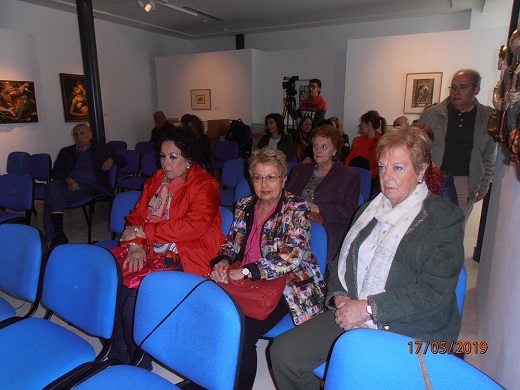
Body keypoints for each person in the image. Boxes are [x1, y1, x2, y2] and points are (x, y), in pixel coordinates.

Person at [271, 126, 465, 389]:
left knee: (356, 372)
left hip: (409, 324)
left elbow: (434, 291)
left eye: (398, 168)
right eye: (383, 167)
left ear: (420, 171)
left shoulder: (444, 218)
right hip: (351, 307)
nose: (387, 177)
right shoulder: (368, 211)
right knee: (283, 353)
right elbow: (337, 263)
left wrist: (368, 308)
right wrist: (340, 299)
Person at [108, 127, 226, 369]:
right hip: (153, 248)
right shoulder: (156, 180)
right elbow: (136, 216)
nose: (166, 163)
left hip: (192, 251)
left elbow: (194, 226)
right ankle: (119, 357)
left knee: (137, 297)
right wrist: (135, 246)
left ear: (189, 158)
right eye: (163, 156)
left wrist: (145, 233)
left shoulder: (206, 184)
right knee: (115, 280)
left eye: (174, 157)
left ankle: (141, 363)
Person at [210, 147, 326, 390]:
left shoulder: (296, 208)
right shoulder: (244, 204)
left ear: (283, 179)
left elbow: (291, 256)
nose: (264, 184)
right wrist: (222, 260)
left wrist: (246, 271)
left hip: (289, 283)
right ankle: (215, 376)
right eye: (258, 177)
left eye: (271, 177)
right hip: (248, 276)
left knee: (243, 334)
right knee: (211, 313)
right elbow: (233, 242)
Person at [419, 69, 497, 220]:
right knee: (425, 226)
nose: (456, 92)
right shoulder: (431, 114)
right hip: (431, 180)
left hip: (464, 184)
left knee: (454, 230)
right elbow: (417, 148)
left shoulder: (487, 117)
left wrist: (484, 185)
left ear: (476, 90)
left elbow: (489, 155)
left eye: (462, 87)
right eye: (453, 87)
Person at [286, 125, 361, 262]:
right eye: (315, 146)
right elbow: (286, 197)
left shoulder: (349, 176)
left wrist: (318, 208)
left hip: (326, 228)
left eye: (324, 147)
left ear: (334, 150)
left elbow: (350, 212)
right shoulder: (299, 170)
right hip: (292, 223)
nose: (318, 150)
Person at [44, 124, 126, 249]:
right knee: (52, 188)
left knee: (51, 197)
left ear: (90, 135)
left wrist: (111, 159)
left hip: (92, 186)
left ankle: (54, 236)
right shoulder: (66, 151)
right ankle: (59, 234)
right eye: (76, 134)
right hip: (70, 184)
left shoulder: (100, 149)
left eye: (82, 133)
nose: (79, 137)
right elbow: (56, 172)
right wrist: (68, 179)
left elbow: (123, 160)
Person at [344, 110, 387, 179]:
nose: (360, 125)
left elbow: (383, 164)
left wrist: (367, 175)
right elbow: (349, 158)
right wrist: (346, 171)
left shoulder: (382, 142)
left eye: (362, 122)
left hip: (372, 179)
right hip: (354, 176)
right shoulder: (357, 140)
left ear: (369, 124)